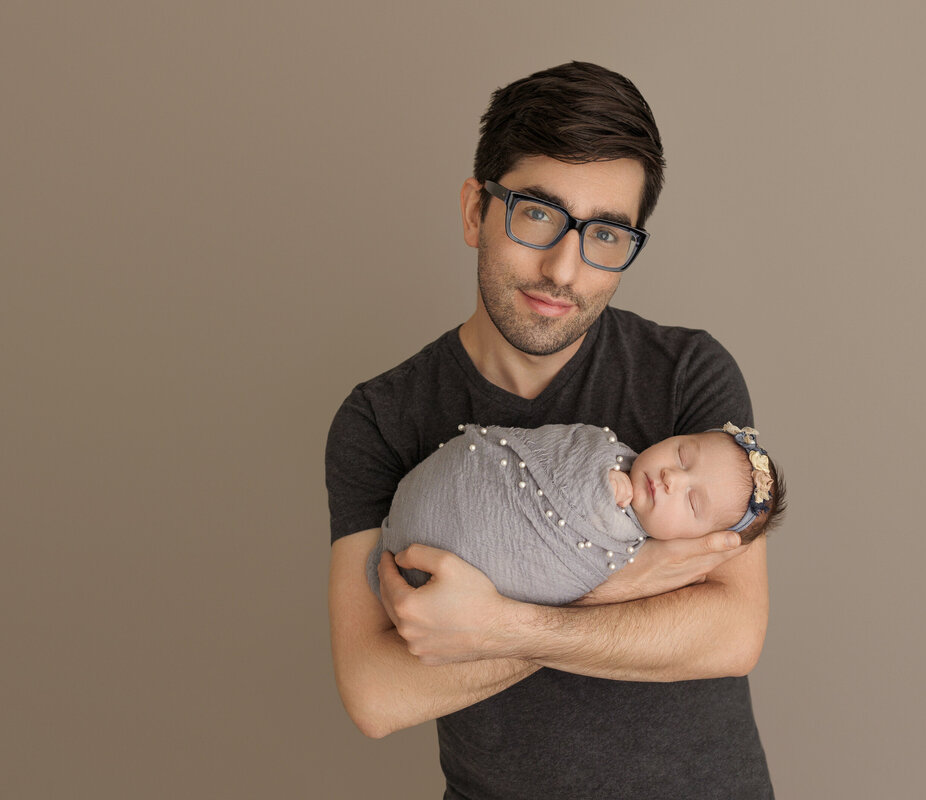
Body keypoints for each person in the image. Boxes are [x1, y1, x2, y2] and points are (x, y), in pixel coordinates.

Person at [327, 61, 776, 799]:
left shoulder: (687, 373)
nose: (564, 268)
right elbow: (376, 695)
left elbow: (732, 634)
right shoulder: (382, 418)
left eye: (606, 234)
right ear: (476, 210)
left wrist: (502, 626)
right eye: (536, 214)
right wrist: (627, 585)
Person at [366, 422, 786, 606]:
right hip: (449, 492)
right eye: (682, 453)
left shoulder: (632, 553)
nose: (673, 477)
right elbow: (567, 454)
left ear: (696, 543)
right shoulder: (605, 452)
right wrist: (599, 488)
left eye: (693, 503)